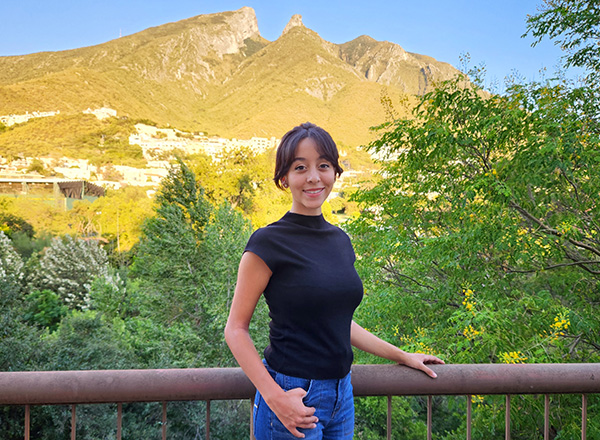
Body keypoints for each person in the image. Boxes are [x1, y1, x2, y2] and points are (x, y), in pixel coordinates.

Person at [224, 122, 444, 439]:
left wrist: (402, 355)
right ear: (284, 178)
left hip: (343, 395)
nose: (314, 177)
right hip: (293, 395)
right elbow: (235, 329)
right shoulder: (268, 242)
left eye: (323, 166)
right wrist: (275, 398)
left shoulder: (340, 240)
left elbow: (338, 322)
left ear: (335, 173)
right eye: (300, 168)